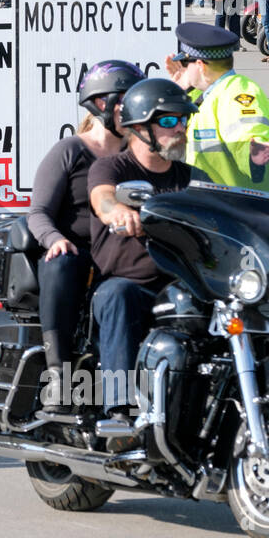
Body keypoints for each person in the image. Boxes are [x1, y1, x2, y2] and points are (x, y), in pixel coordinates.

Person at [87, 78, 204, 430]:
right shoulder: (112, 169)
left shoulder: (192, 178)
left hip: (182, 287)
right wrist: (117, 212)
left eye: (183, 120)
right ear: (139, 128)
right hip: (133, 286)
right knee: (117, 296)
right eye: (168, 121)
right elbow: (102, 197)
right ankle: (118, 412)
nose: (179, 128)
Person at [28, 59, 143, 411]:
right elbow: (38, 213)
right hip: (75, 249)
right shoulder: (69, 150)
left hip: (124, 250)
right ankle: (59, 375)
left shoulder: (138, 154)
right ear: (102, 105)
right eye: (125, 102)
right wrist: (54, 239)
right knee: (60, 264)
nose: (134, 111)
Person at [165, 22, 269, 190]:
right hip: (209, 199)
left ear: (200, 66)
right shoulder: (207, 94)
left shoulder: (237, 93)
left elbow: (248, 134)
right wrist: (182, 91)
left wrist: (253, 157)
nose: (184, 69)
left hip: (237, 205)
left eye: (186, 64)